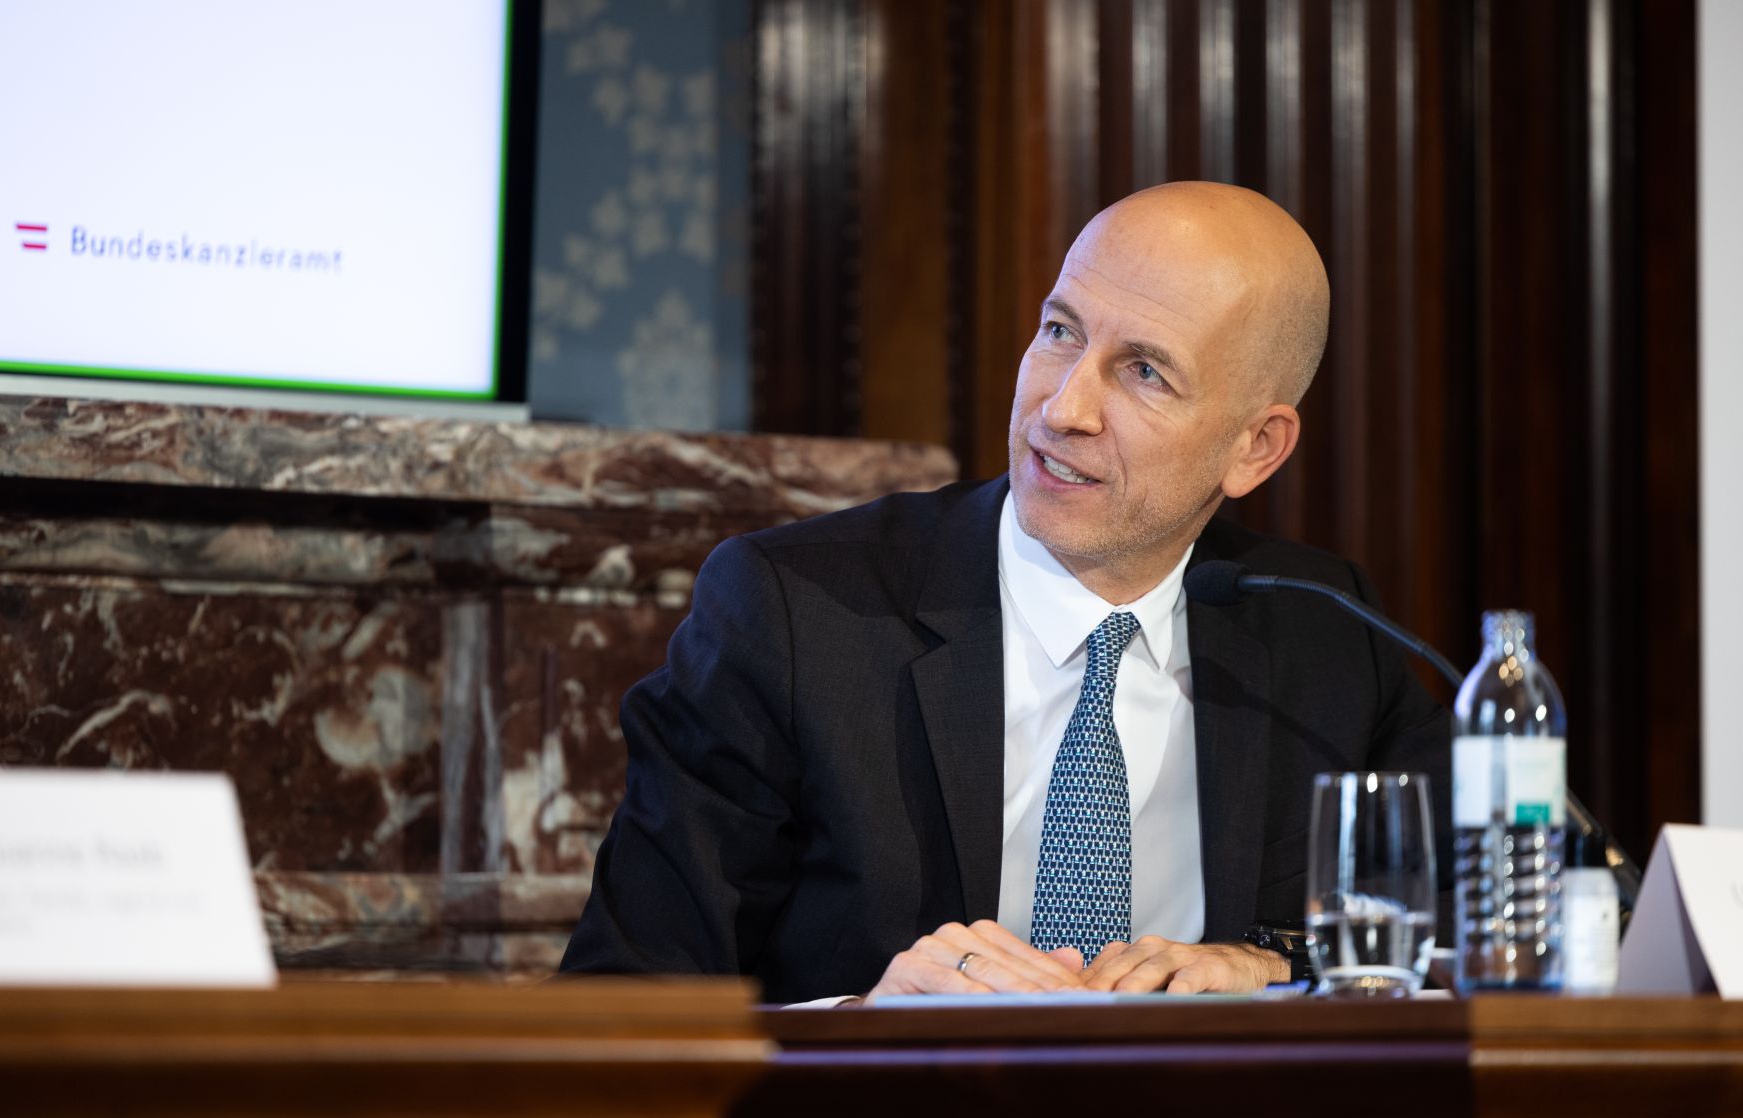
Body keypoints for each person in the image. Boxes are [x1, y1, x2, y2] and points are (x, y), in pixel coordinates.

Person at [560, 180, 1451, 1007]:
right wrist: (864, 1026)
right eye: (1061, 331)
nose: (1063, 408)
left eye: (1144, 372)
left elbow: (1489, 928)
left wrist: (1279, 965)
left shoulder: (1324, 632)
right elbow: (616, 1016)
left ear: (1256, 447)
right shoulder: (796, 613)